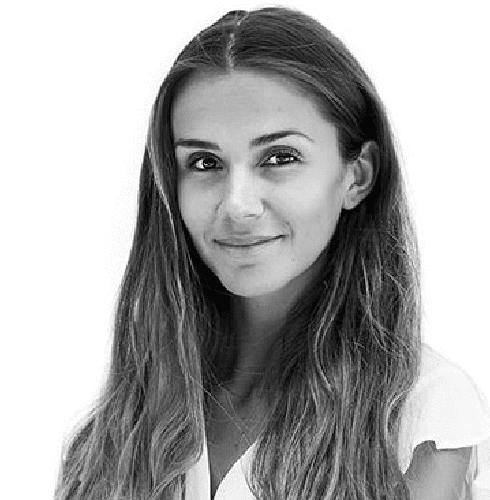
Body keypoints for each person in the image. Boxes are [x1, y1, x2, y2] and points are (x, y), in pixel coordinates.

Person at [54, 6, 490, 500]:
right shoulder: (114, 428)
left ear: (358, 175)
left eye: (280, 157)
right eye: (204, 162)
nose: (237, 205)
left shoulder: (423, 415)